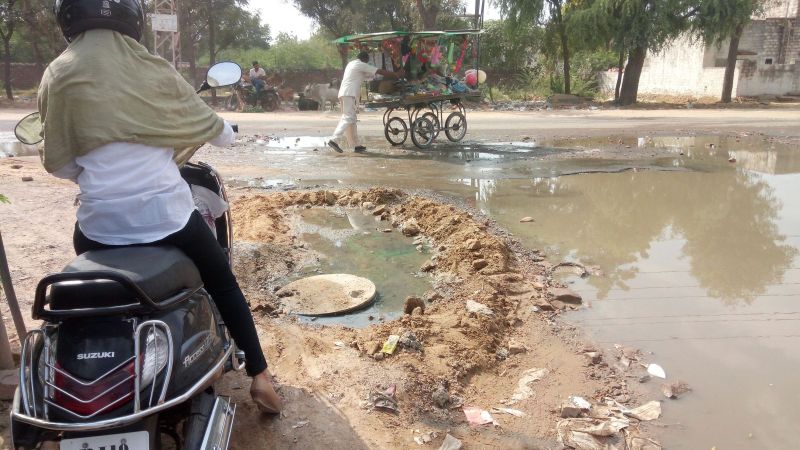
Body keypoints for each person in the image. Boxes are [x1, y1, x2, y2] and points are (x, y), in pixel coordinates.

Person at [39, 0, 281, 414]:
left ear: (68, 21)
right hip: (169, 220)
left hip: (98, 228)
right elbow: (220, 134)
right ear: (133, 22)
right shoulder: (154, 70)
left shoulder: (58, 74)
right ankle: (259, 376)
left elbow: (61, 164)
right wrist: (221, 130)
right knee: (223, 282)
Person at [328, 51, 403, 153]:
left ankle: (356, 145)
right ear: (365, 59)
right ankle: (334, 139)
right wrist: (395, 74)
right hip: (348, 93)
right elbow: (379, 71)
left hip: (345, 93)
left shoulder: (352, 64)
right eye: (368, 61)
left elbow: (370, 76)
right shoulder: (360, 64)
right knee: (348, 117)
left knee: (352, 120)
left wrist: (378, 76)